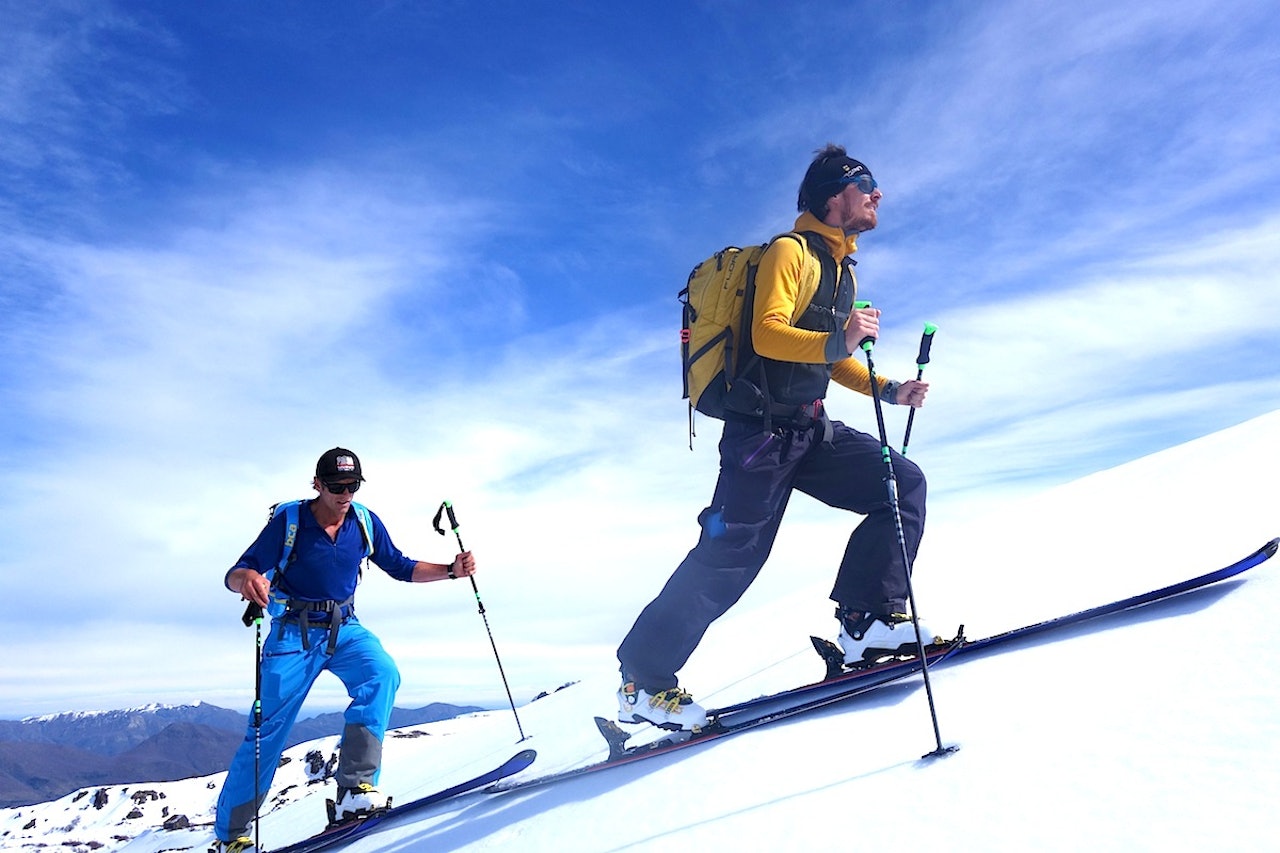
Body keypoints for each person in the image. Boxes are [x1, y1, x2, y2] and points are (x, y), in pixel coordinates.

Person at [616, 145, 936, 731]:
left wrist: (889, 389)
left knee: (899, 482)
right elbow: (769, 336)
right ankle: (643, 679)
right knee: (729, 558)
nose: (878, 194)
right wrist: (840, 341)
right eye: (867, 183)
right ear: (836, 193)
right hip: (759, 435)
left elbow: (825, 361)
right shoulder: (791, 253)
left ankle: (867, 622)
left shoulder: (840, 267)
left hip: (809, 428)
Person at [212, 448, 477, 853]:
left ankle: (355, 791)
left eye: (352, 485)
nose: (345, 493)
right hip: (291, 635)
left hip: (344, 628)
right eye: (336, 486)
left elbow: (400, 566)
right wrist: (246, 577)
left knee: (381, 674)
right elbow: (237, 572)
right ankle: (231, 838)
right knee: (266, 733)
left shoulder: (364, 522)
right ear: (317, 484)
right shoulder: (290, 521)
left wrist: (450, 571)